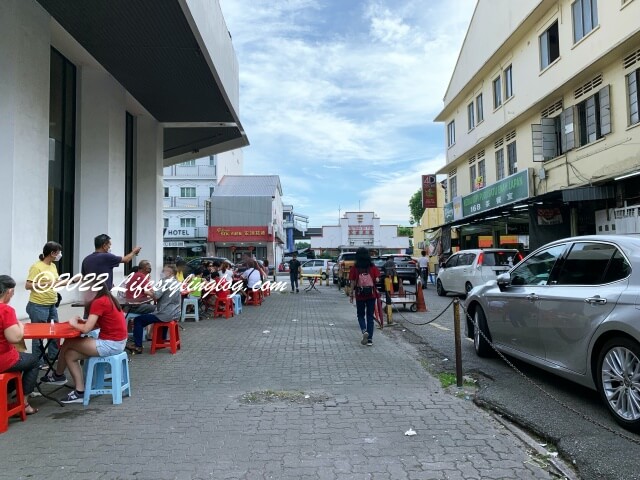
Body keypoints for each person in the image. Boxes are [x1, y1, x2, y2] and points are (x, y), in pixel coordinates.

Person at [41, 283, 128, 404]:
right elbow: (100, 323)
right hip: (118, 343)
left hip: (110, 344)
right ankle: (79, 391)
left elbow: (87, 329)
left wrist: (73, 323)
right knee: (70, 355)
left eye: (85, 290)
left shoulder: (98, 302)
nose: (84, 293)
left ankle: (58, 375)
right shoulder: (107, 298)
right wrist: (84, 322)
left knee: (69, 341)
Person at [25, 242, 75, 368]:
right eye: (59, 252)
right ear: (52, 253)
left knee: (55, 332)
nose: (60, 255)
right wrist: (45, 283)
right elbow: (28, 285)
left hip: (52, 304)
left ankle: (53, 357)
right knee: (39, 336)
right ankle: (38, 362)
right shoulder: (37, 267)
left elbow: (56, 283)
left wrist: (72, 281)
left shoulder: (52, 266)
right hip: (38, 305)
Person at [0, 275, 40, 415]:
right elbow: (14, 338)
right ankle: (24, 403)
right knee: (34, 361)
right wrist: (21, 327)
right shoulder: (5, 310)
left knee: (19, 364)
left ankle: (6, 397)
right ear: (9, 292)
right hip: (3, 359)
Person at [125, 264, 181, 355]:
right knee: (155, 314)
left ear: (170, 273)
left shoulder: (165, 282)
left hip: (165, 314)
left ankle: (138, 346)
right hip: (175, 313)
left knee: (138, 320)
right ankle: (161, 341)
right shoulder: (177, 282)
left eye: (164, 271)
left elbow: (156, 296)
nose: (162, 273)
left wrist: (147, 292)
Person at [349, 247, 381, 347]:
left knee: (360, 315)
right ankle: (370, 340)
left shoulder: (355, 267)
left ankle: (364, 331)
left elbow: (353, 282)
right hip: (371, 294)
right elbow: (377, 280)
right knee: (370, 317)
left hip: (360, 295)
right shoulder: (372, 266)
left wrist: (351, 293)